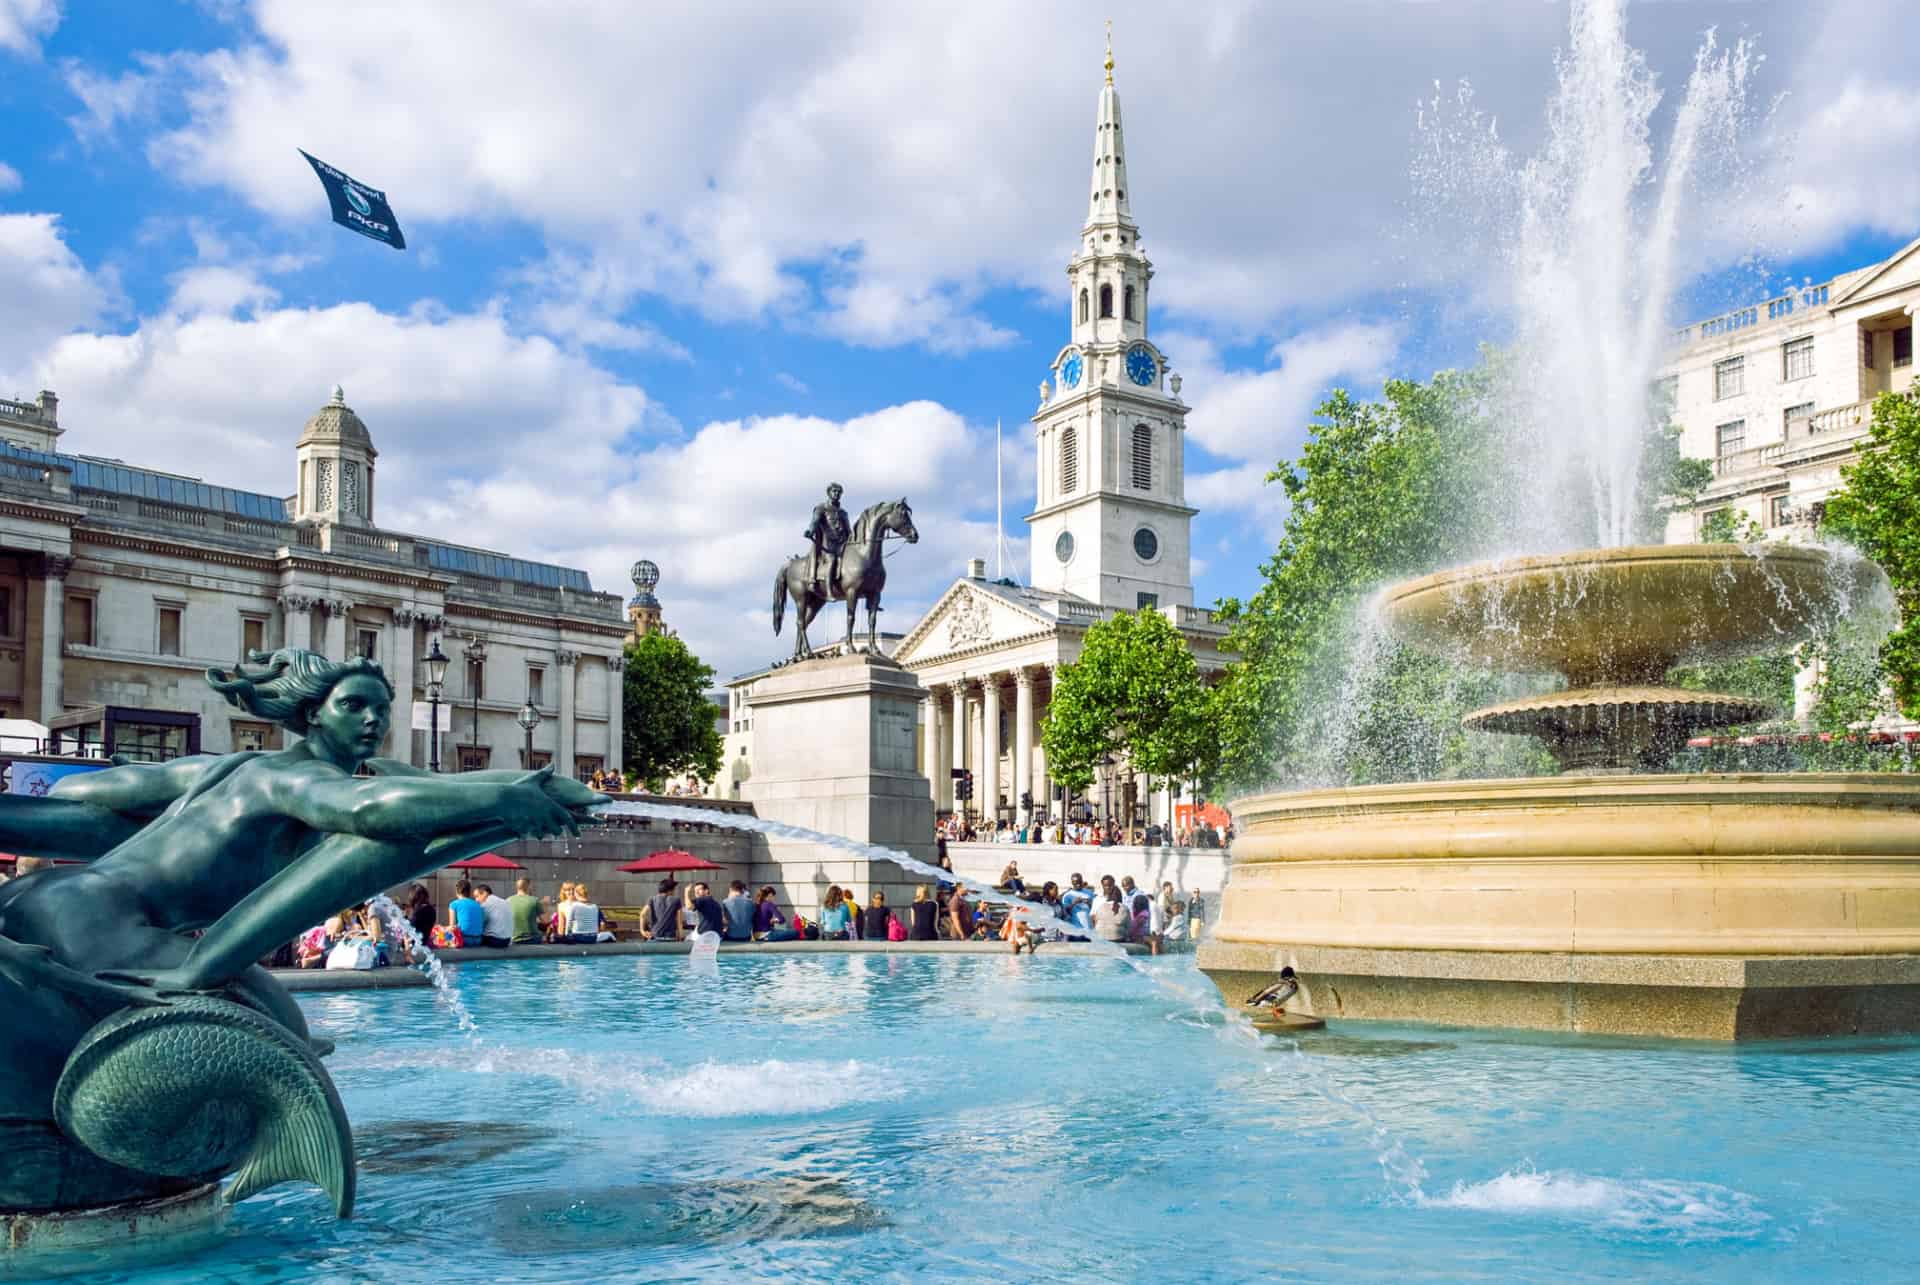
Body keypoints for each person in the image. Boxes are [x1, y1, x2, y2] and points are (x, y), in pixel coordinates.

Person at [474, 883, 514, 949]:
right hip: (507, 941)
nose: (476, 900)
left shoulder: (485, 905)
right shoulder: (504, 902)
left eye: (477, 896)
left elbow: (479, 924)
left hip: (495, 941)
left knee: (473, 938)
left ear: (485, 893)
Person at [447, 879, 484, 946]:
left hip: (464, 939)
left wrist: (444, 929)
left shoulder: (453, 904)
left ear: (457, 891)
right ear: (469, 891)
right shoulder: (477, 904)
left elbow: (451, 927)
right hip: (479, 940)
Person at [508, 877, 544, 945]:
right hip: (533, 939)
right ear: (529, 886)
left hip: (514, 940)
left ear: (517, 887)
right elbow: (545, 921)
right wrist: (545, 905)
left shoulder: (508, 900)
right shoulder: (534, 900)